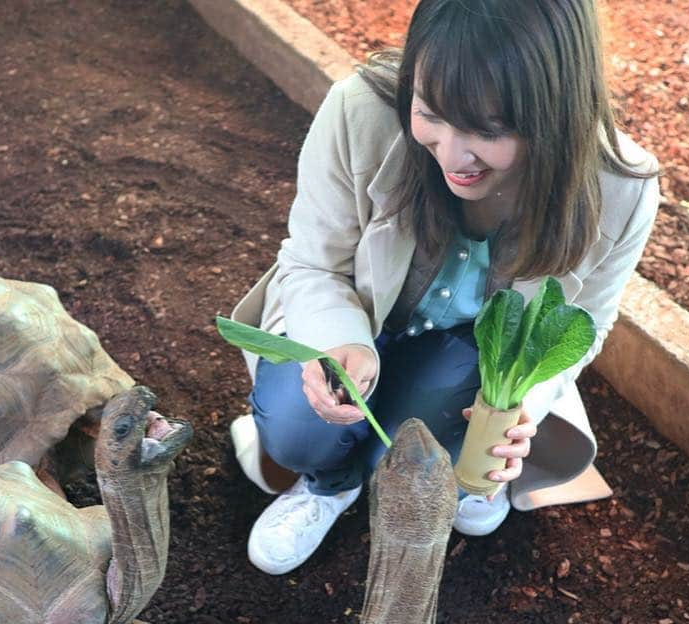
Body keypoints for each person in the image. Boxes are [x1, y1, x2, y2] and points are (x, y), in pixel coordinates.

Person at [228, 0, 659, 575]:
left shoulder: (620, 188)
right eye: (430, 113)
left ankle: (461, 473)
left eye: (489, 130)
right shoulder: (361, 111)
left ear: (556, 112)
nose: (454, 156)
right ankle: (327, 484)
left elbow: (587, 322)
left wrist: (520, 408)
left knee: (416, 474)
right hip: (358, 318)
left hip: (465, 359)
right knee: (299, 428)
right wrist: (339, 344)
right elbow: (312, 263)